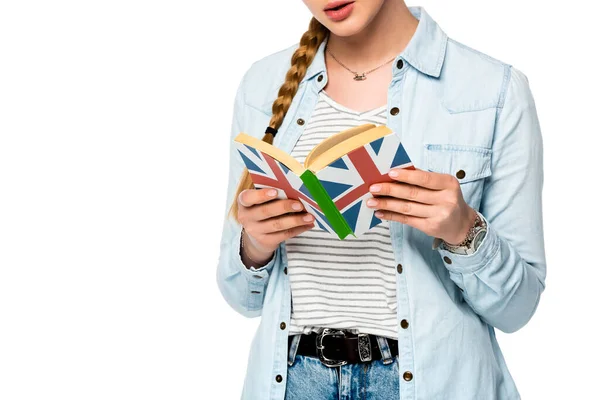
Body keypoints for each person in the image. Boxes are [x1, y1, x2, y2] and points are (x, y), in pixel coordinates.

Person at [216, 1, 546, 399]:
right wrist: (256, 245)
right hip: (293, 381)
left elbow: (518, 310)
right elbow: (241, 298)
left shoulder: (494, 91)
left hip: (431, 384)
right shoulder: (261, 85)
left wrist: (463, 231)